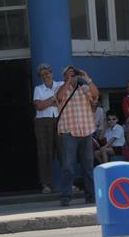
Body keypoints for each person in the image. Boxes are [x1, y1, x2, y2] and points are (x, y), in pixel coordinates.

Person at [56, 65, 98, 206]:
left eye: (74, 74)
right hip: (69, 131)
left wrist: (87, 78)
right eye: (70, 74)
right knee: (68, 166)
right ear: (65, 76)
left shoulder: (84, 89)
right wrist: (68, 81)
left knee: (88, 166)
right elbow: (59, 97)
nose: (73, 76)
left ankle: (91, 196)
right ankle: (65, 196)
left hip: (86, 130)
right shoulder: (61, 89)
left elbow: (95, 94)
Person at [33, 63, 63, 194]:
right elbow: (39, 106)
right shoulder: (38, 89)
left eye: (47, 73)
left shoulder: (61, 85)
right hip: (42, 122)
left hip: (60, 120)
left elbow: (63, 102)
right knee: (44, 153)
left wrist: (49, 102)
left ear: (52, 73)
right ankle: (45, 184)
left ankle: (69, 182)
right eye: (42, 74)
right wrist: (53, 99)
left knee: (64, 151)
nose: (45, 76)